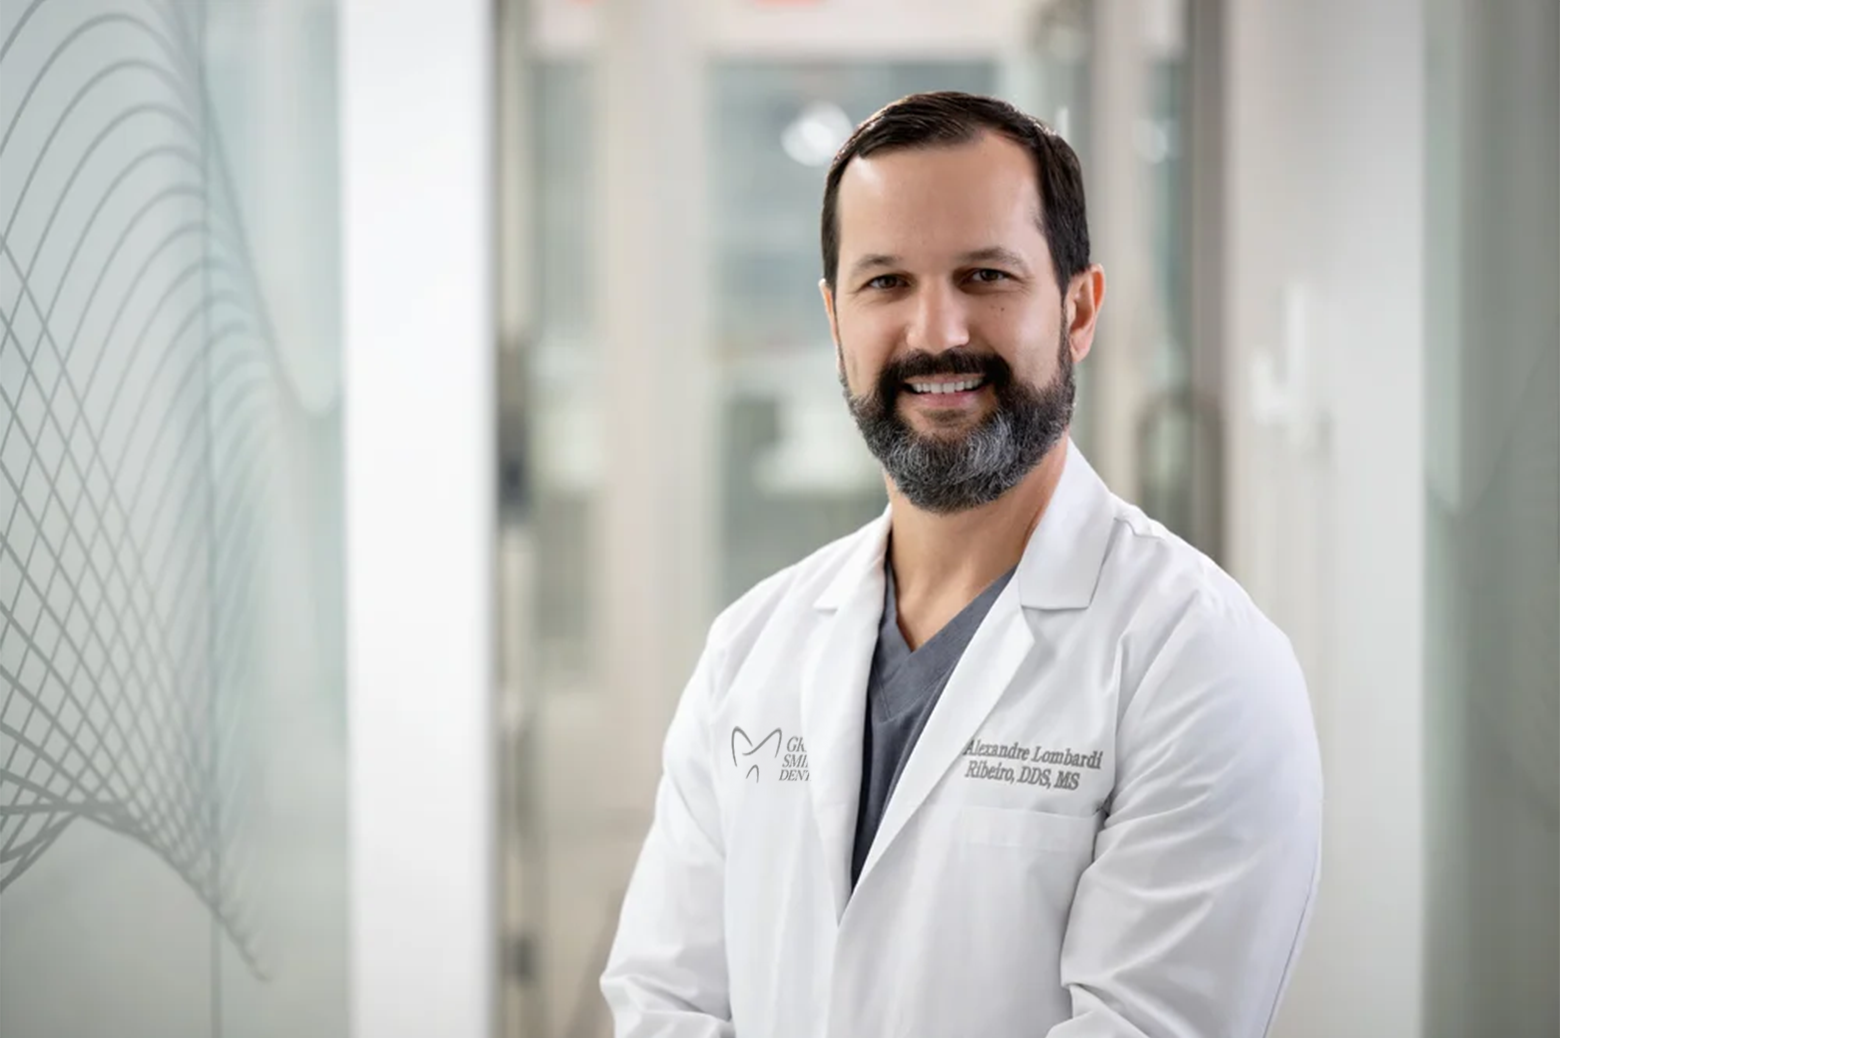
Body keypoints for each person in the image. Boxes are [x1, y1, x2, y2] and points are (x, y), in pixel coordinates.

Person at [601, 90, 1322, 1038]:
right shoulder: (751, 648)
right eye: (885, 283)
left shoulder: (1199, 663)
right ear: (834, 319)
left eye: (984, 275)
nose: (936, 332)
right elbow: (666, 1001)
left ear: (1078, 308)